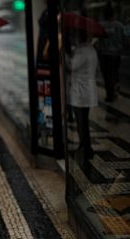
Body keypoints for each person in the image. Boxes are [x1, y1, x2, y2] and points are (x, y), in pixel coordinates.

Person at [66, 31, 98, 168]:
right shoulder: (91, 50)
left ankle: (86, 148)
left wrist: (65, 55)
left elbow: (71, 66)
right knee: (84, 121)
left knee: (81, 122)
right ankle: (85, 146)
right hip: (88, 90)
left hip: (80, 92)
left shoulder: (82, 52)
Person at [94, 2, 125, 102]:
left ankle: (110, 94)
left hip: (104, 54)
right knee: (114, 73)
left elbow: (97, 40)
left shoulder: (100, 26)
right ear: (113, 14)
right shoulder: (119, 26)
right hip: (116, 54)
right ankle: (115, 87)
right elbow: (123, 40)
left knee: (107, 75)